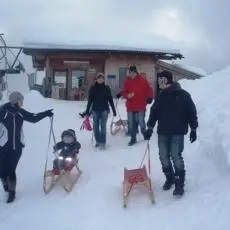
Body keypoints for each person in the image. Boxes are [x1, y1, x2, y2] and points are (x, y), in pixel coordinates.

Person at [144, 70, 198, 196]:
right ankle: (170, 177)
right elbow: (154, 113)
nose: (159, 83)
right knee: (163, 156)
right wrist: (150, 128)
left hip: (178, 131)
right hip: (163, 131)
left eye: (161, 80)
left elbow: (191, 112)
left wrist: (193, 129)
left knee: (176, 155)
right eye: (158, 81)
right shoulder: (160, 95)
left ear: (167, 80)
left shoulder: (183, 95)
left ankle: (179, 183)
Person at [0, 91, 53, 203]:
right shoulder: (3, 111)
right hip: (4, 146)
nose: (22, 103)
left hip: (17, 147)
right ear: (15, 101)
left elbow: (33, 118)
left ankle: (12, 192)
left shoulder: (20, 112)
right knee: (2, 170)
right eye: (21, 101)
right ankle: (5, 185)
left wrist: (46, 113)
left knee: (11, 169)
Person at [120, 65, 153, 146]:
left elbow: (150, 89)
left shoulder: (142, 80)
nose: (132, 74)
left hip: (141, 105)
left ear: (136, 72)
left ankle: (144, 133)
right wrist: (127, 95)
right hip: (130, 106)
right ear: (129, 73)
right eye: (130, 72)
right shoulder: (127, 81)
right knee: (131, 124)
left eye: (133, 72)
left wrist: (150, 97)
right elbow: (124, 92)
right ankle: (133, 138)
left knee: (141, 122)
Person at [85, 73, 116, 149]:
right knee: (95, 127)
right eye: (99, 78)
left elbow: (110, 99)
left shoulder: (106, 88)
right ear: (96, 79)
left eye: (102, 78)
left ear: (103, 79)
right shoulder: (93, 88)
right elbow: (90, 101)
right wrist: (87, 112)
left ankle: (103, 142)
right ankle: (98, 141)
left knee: (103, 127)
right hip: (95, 110)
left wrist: (114, 110)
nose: (100, 79)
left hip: (104, 110)